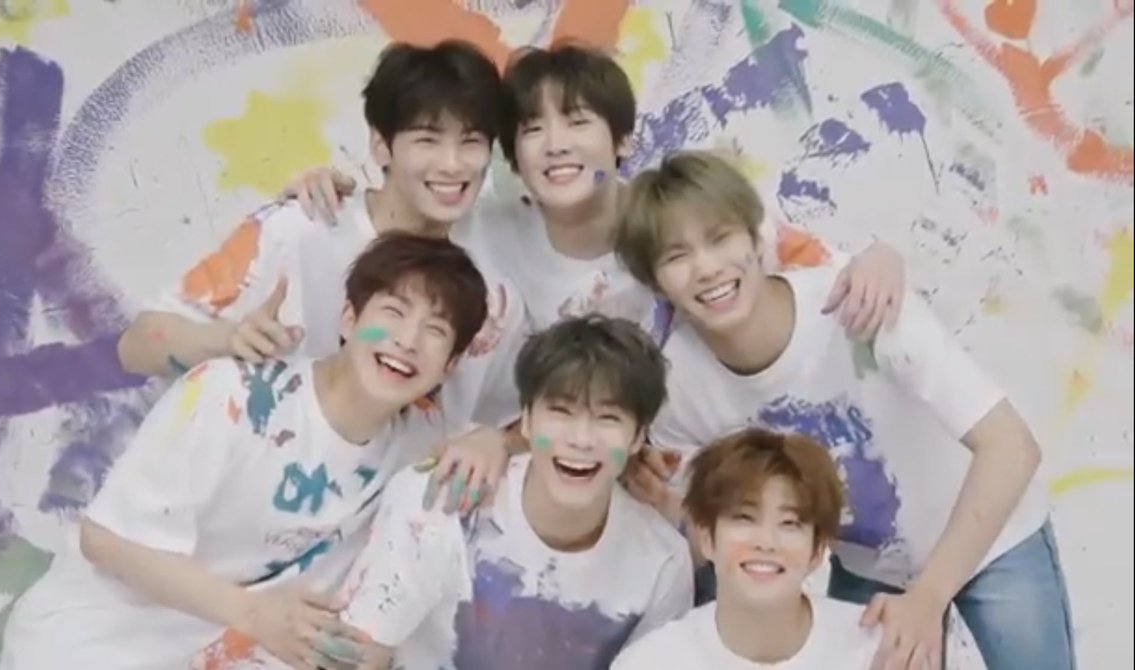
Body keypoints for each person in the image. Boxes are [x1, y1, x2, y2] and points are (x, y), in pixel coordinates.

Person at [617, 151, 1072, 670]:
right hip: (868, 567)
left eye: (720, 238)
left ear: (757, 238)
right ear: (655, 282)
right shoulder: (676, 384)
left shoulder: (857, 303)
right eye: (677, 256)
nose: (707, 268)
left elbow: (1012, 447)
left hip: (993, 537)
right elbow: (712, 535)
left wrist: (929, 597)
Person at [0, 232, 492, 670]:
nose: (407, 341)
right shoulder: (232, 394)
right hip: (89, 646)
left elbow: (523, 439)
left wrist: (495, 440)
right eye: (394, 313)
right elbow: (104, 541)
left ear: (449, 366)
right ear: (349, 318)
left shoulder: (422, 441)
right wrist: (254, 614)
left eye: (435, 330)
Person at [117, 40, 529, 512]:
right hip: (233, 512)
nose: (452, 164)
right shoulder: (297, 230)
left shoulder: (495, 298)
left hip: (369, 540)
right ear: (381, 145)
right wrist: (228, 339)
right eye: (427, 140)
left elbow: (524, 423)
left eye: (471, 142)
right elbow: (136, 346)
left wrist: (499, 442)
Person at [283, 43, 907, 345]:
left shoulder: (683, 216)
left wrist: (881, 257)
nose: (556, 145)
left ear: (623, 141)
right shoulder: (486, 227)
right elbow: (395, 221)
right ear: (513, 157)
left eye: (578, 122)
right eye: (533, 129)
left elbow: (821, 268)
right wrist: (324, 190)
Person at [302, 315, 694, 670]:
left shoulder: (662, 562)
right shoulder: (442, 501)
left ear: (638, 437)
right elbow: (360, 653)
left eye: (608, 419)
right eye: (561, 412)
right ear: (526, 420)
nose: (581, 439)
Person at [613, 428, 880, 670]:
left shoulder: (879, 650)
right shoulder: (651, 661)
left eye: (789, 523)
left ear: (818, 549)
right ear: (707, 538)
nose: (766, 542)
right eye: (744, 518)